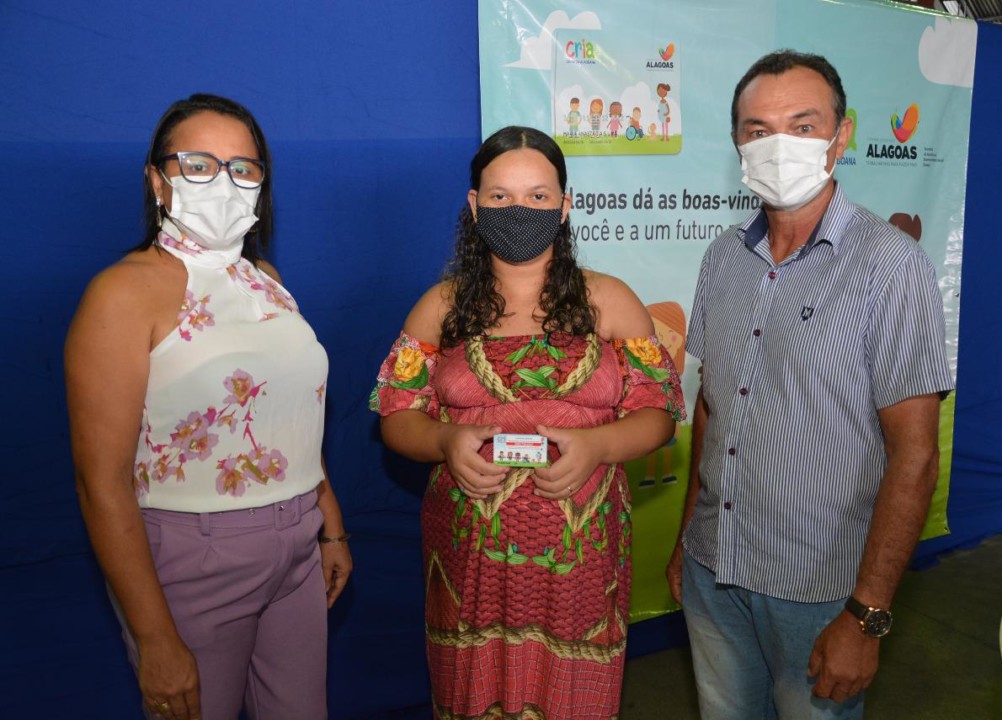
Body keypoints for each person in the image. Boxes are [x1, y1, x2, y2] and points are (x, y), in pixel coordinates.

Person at [665, 50, 954, 719]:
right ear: (737, 143)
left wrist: (868, 615)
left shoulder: (891, 266)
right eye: (758, 130)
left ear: (840, 135)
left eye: (803, 126)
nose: (779, 146)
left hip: (820, 589)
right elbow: (712, 408)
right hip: (713, 566)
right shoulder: (722, 258)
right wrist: (687, 540)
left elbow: (915, 455)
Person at [370, 126, 684, 719]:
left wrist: (598, 445)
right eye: (501, 196)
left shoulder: (611, 300)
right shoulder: (439, 306)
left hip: (581, 559)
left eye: (538, 196)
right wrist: (444, 438)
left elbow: (659, 412)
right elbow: (395, 414)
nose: (520, 210)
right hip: (469, 560)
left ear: (565, 206)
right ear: (475, 205)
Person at [65, 93, 352, 720]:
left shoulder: (268, 281)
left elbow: (292, 416)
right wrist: (154, 639)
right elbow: (100, 482)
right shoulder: (121, 295)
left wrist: (328, 525)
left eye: (242, 168)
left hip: (298, 545)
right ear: (157, 181)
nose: (223, 183)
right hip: (192, 558)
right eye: (198, 165)